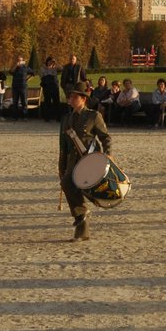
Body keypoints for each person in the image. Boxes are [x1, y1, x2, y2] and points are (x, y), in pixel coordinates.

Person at [57, 81, 112, 242]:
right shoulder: (66, 119)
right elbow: (63, 146)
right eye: (70, 96)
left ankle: (82, 221)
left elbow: (105, 137)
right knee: (67, 184)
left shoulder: (94, 116)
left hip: (90, 160)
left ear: (83, 99)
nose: (71, 99)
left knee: (88, 191)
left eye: (74, 97)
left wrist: (108, 154)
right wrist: (61, 167)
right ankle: (82, 218)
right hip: (73, 162)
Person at [10, 55, 30, 120]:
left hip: (23, 87)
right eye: (18, 60)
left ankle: (25, 116)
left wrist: (27, 79)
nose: (19, 62)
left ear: (23, 61)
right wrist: (16, 65)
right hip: (15, 87)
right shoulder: (14, 68)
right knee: (15, 102)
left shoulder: (26, 67)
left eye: (20, 60)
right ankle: (15, 117)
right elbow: (11, 71)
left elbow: (33, 73)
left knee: (24, 102)